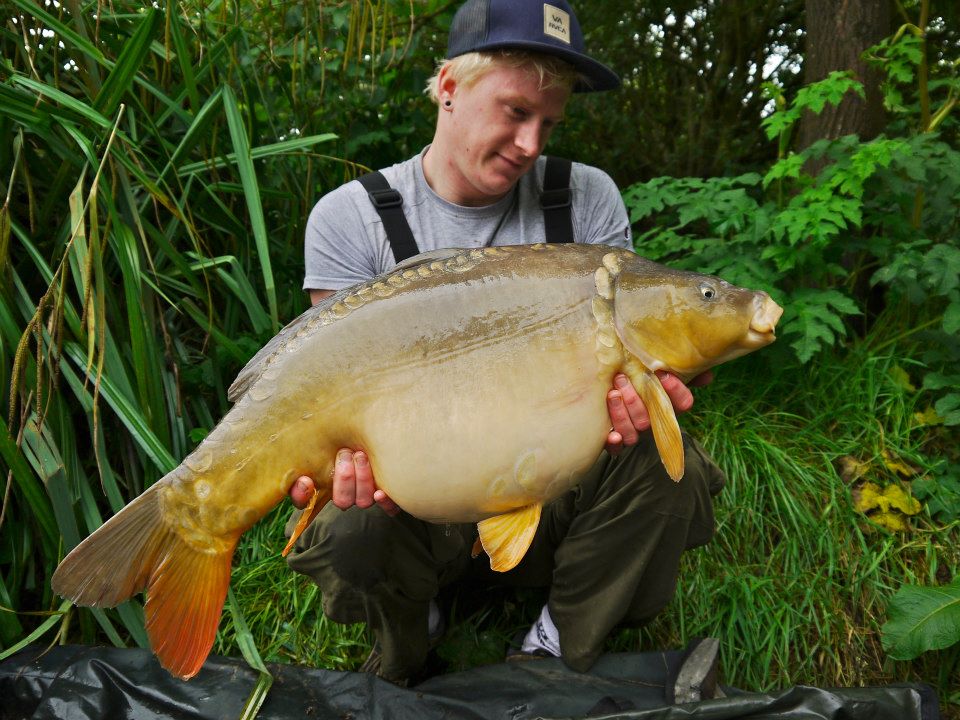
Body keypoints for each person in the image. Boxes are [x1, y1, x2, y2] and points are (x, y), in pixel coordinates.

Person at [284, 0, 726, 685]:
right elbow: (332, 394)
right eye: (516, 112)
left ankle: (555, 646)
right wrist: (354, 463)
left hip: (549, 490)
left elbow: (636, 355)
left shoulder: (585, 199)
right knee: (351, 516)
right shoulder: (352, 219)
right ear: (450, 87)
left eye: (549, 123)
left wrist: (651, 390)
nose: (531, 145)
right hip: (418, 501)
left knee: (667, 462)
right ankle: (412, 631)